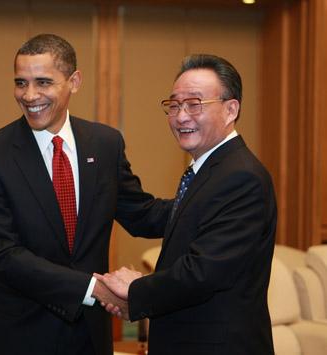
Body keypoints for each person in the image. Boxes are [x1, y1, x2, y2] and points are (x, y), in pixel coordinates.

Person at [0, 33, 170, 355]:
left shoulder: (105, 144)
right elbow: (4, 254)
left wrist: (203, 199)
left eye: (43, 82)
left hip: (89, 334)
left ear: (74, 81)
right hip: (18, 334)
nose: (29, 95)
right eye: (21, 83)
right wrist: (95, 289)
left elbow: (142, 214)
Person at [95, 54, 277, 354]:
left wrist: (135, 289)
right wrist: (104, 169)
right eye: (175, 105)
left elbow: (202, 273)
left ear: (231, 109)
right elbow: (153, 216)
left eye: (194, 104)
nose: (181, 117)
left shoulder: (242, 177)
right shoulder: (210, 171)